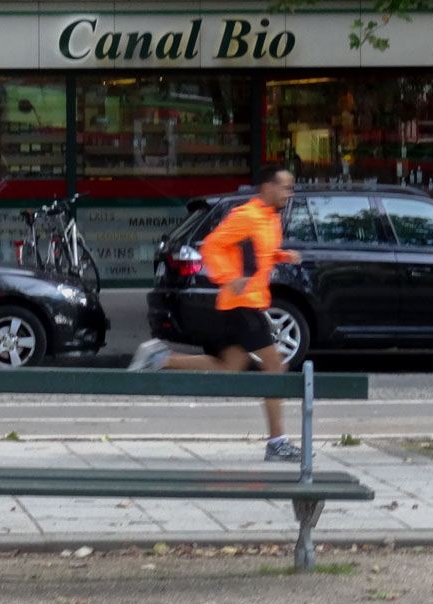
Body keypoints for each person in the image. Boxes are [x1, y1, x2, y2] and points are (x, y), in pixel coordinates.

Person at [128, 164, 302, 462]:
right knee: (275, 368)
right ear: (268, 187)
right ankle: (277, 443)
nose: (290, 193)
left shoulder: (270, 218)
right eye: (285, 187)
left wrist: (281, 255)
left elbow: (258, 254)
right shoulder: (246, 216)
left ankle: (160, 359)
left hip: (248, 303)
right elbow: (212, 246)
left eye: (291, 188)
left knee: (228, 367)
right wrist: (229, 278)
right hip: (243, 304)